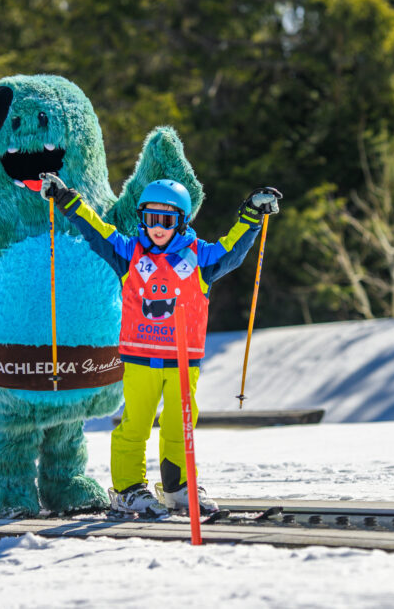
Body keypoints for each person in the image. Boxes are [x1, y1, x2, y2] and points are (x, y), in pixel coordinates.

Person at [39, 174, 281, 516]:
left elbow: (233, 248)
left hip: (184, 360)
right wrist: (66, 198)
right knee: (135, 424)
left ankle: (178, 487)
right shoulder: (128, 251)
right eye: (151, 218)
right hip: (140, 358)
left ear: (181, 221)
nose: (158, 227)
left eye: (166, 220)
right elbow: (95, 231)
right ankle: (127, 490)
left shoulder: (201, 257)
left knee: (180, 423)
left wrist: (252, 214)